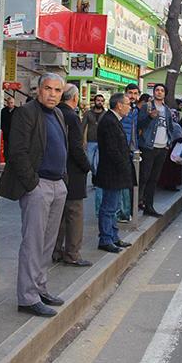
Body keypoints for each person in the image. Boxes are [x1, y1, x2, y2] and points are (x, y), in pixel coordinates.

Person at [0, 73, 68, 318]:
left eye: (57, 90)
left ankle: (40, 288)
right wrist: (32, 184)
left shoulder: (58, 113)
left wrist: (63, 180)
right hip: (38, 186)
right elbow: (17, 151)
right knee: (33, 243)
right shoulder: (26, 113)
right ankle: (27, 297)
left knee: (48, 243)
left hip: (58, 185)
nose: (52, 94)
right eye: (48, 89)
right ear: (38, 90)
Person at [53, 84, 93, 267]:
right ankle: (72, 253)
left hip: (55, 170)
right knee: (74, 214)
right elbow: (76, 147)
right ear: (75, 98)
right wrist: (87, 166)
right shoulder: (71, 116)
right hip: (72, 171)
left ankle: (56, 250)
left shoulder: (53, 112)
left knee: (58, 215)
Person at [95, 93, 134, 254]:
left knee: (115, 206)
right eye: (127, 104)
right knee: (109, 207)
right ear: (119, 105)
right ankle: (105, 239)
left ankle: (113, 236)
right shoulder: (109, 121)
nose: (129, 107)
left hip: (116, 172)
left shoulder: (115, 120)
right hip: (112, 172)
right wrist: (124, 166)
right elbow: (112, 150)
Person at [137, 83, 176, 217]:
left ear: (165, 94)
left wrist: (168, 142)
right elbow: (139, 124)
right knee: (144, 176)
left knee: (154, 178)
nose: (159, 92)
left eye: (161, 90)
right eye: (157, 90)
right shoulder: (147, 107)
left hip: (162, 148)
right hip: (148, 147)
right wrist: (149, 117)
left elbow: (171, 127)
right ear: (153, 92)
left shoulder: (167, 110)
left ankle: (149, 206)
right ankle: (136, 203)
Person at [117, 84, 140, 222]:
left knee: (129, 183)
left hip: (132, 149)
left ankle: (126, 212)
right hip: (121, 149)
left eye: (135, 93)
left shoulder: (136, 111)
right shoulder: (121, 109)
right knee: (122, 184)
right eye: (130, 93)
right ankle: (123, 213)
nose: (132, 96)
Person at [82, 94, 106, 215]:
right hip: (91, 142)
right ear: (94, 101)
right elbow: (83, 126)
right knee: (90, 162)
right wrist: (83, 140)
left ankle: (96, 180)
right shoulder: (88, 113)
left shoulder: (106, 114)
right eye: (98, 100)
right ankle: (94, 176)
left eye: (102, 100)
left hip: (102, 142)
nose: (99, 102)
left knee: (98, 163)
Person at [158, 122, 182, 191]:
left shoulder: (165, 125)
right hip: (176, 152)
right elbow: (180, 138)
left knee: (166, 168)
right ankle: (172, 185)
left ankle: (165, 183)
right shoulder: (177, 126)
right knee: (174, 169)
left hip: (167, 149)